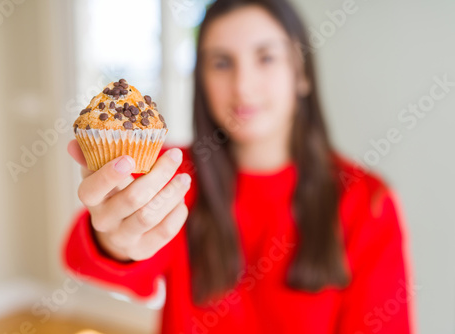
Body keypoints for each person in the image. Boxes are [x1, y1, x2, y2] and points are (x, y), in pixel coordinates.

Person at [63, 0, 416, 333]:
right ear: (202, 82)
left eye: (266, 58)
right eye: (221, 63)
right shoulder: (171, 174)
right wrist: (114, 240)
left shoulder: (366, 201)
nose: (243, 86)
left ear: (302, 74)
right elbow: (79, 258)